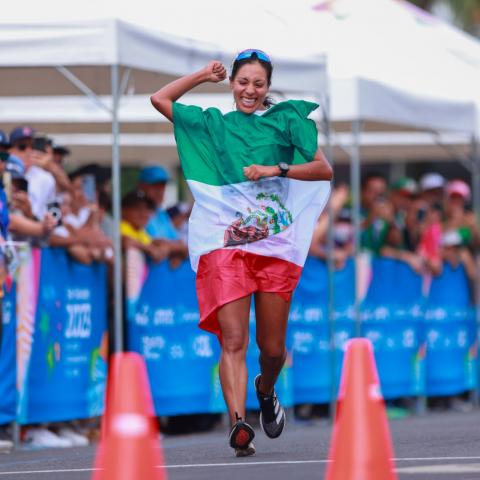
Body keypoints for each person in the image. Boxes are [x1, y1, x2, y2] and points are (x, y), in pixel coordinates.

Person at [151, 49, 332, 456]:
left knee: (271, 349)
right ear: (231, 83)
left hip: (275, 246)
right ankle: (237, 423)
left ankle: (265, 390)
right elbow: (161, 100)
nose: (249, 90)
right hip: (225, 244)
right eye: (242, 81)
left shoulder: (286, 122)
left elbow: (323, 170)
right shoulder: (212, 124)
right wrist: (201, 74)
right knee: (233, 339)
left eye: (258, 83)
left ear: (267, 87)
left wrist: (276, 169)